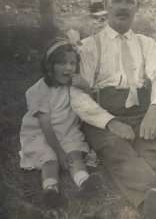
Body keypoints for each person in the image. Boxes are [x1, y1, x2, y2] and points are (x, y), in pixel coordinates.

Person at [70, 0, 156, 219]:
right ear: (105, 5)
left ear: (137, 6)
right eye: (117, 0)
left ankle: (155, 207)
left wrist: (155, 110)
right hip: (103, 116)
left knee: (151, 149)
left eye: (129, 1)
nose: (123, 7)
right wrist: (110, 123)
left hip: (141, 112)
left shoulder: (146, 44)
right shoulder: (90, 46)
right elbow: (77, 95)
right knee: (118, 150)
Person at [19, 37, 101, 208]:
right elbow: (44, 124)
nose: (69, 68)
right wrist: (58, 151)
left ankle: (84, 183)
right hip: (41, 133)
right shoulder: (39, 90)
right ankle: (50, 189)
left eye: (72, 63)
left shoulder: (74, 86)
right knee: (50, 160)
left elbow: (91, 106)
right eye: (62, 63)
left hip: (67, 130)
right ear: (50, 66)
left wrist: (87, 88)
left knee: (74, 155)